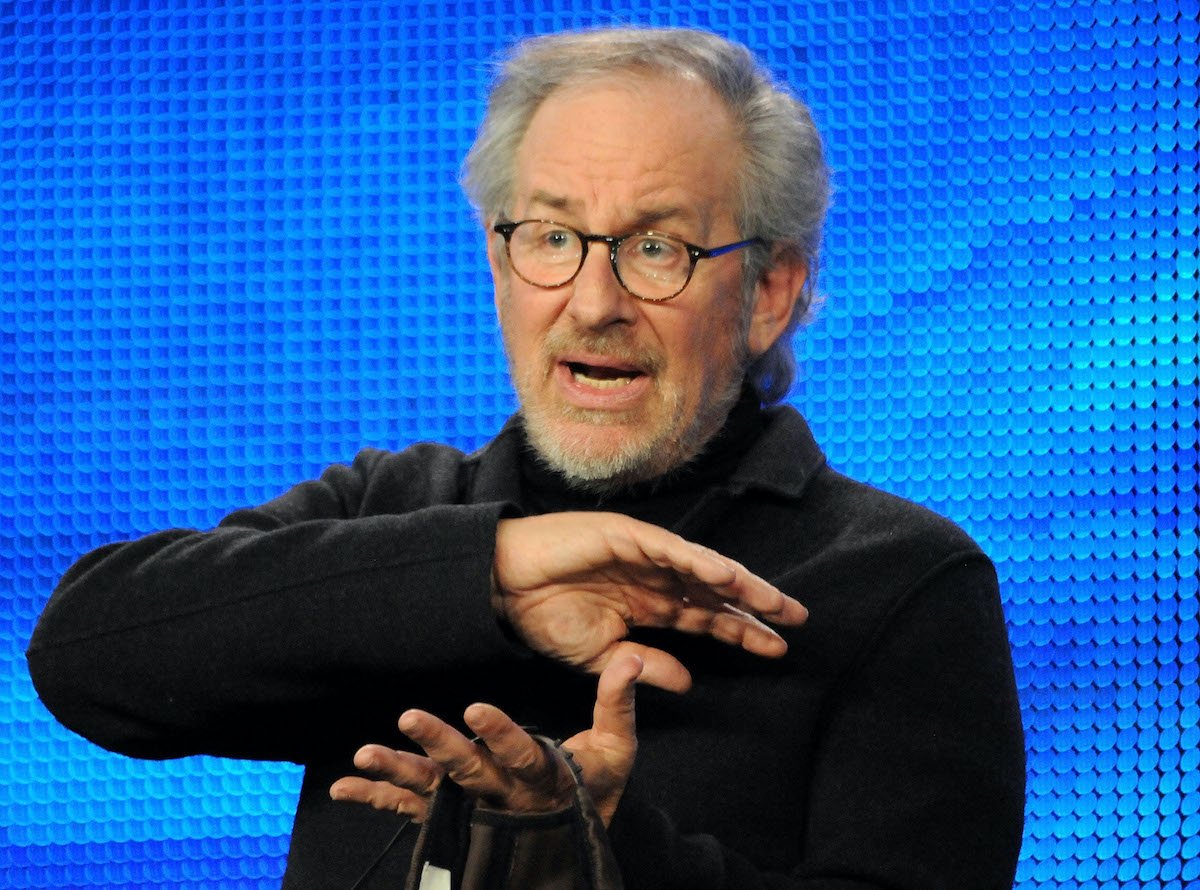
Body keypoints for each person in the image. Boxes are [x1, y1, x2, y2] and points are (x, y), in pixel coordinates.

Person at [27, 26, 1026, 890]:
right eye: (552, 235)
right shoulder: (389, 505)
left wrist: (596, 848)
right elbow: (88, 651)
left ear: (768, 292)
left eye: (657, 246)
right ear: (500, 262)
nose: (592, 302)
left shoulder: (903, 579)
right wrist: (492, 573)